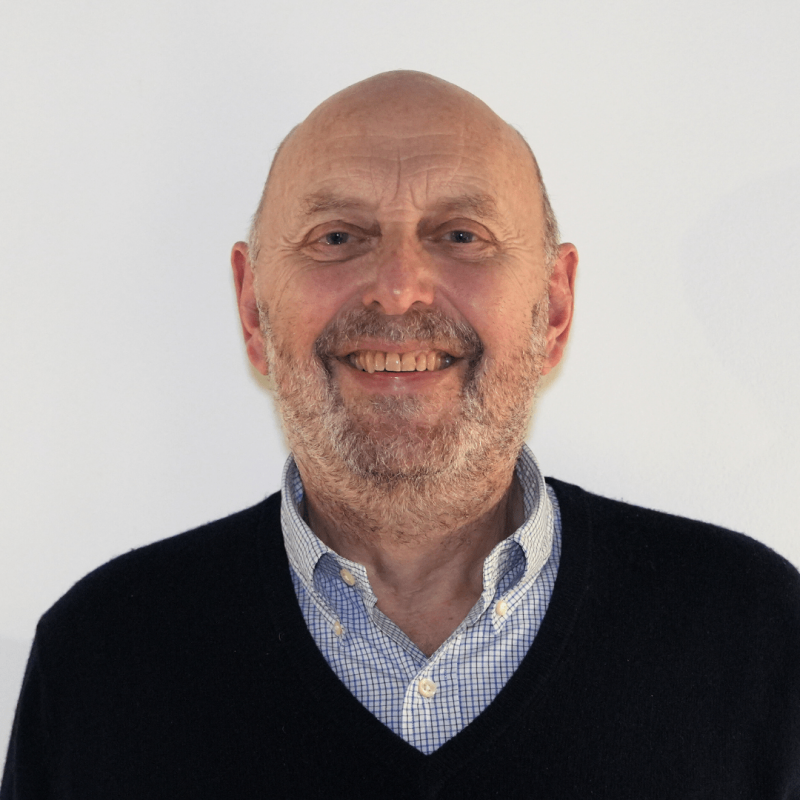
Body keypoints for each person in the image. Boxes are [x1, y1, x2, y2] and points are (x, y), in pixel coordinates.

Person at [3, 71, 799, 799]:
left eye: (461, 235)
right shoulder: (101, 657)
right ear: (252, 309)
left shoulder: (756, 635)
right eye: (337, 237)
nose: (397, 290)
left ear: (554, 309)